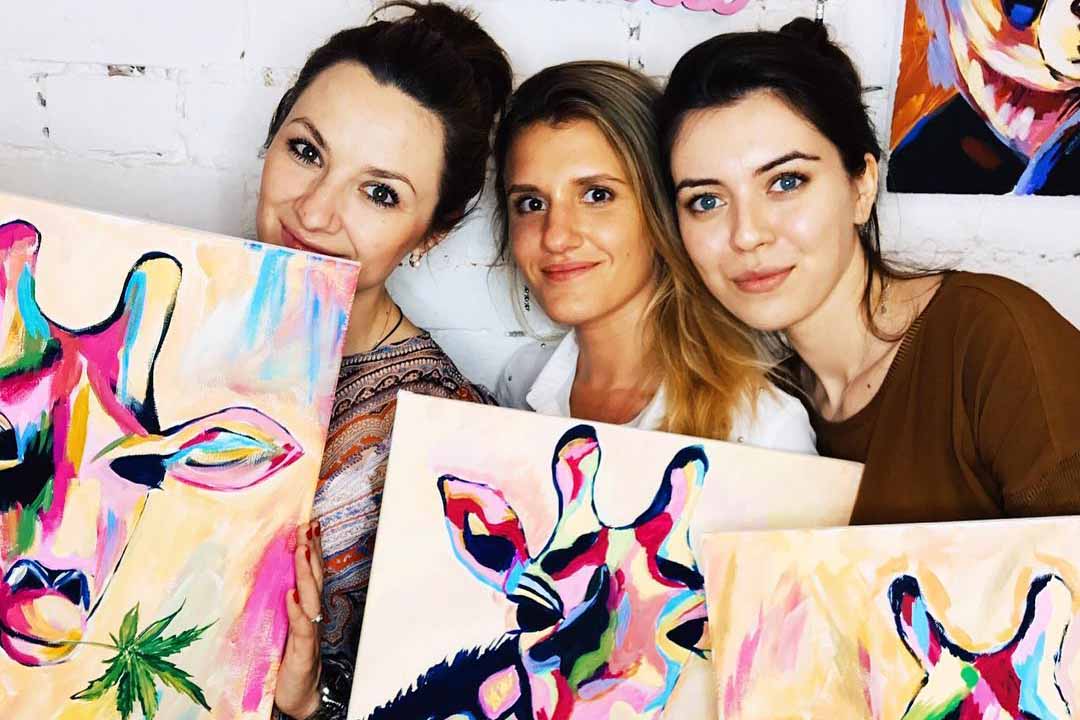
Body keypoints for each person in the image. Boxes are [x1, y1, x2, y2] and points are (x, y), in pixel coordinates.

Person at [656, 18, 1080, 525]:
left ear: (861, 187)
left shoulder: (991, 341)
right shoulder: (761, 413)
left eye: (786, 182)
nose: (747, 234)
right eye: (706, 200)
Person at [255, 3, 511, 718]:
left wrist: (307, 701)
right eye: (307, 151)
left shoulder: (453, 437)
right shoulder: (144, 317)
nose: (314, 212)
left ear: (431, 233)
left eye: (379, 193)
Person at [493, 60, 815, 451]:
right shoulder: (521, 384)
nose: (556, 237)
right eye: (531, 203)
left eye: (597, 195)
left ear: (660, 207)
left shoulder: (762, 428)